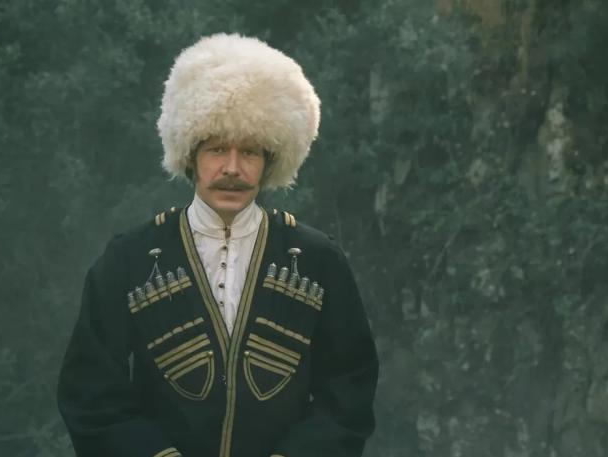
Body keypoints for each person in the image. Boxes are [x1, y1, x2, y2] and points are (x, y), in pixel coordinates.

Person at [57, 33, 379, 457]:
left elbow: (348, 392)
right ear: (190, 155)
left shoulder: (319, 260)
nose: (232, 168)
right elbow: (92, 395)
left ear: (271, 160)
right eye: (216, 149)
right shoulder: (128, 259)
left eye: (250, 152)